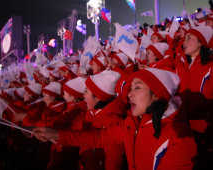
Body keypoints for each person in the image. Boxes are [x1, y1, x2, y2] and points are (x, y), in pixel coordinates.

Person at [33, 68, 197, 170]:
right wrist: (55, 134)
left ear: (157, 94)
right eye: (130, 88)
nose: (129, 94)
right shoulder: (133, 122)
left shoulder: (179, 134)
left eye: (137, 88)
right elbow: (99, 137)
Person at [36, 70, 126, 170]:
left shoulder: (113, 120)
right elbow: (78, 135)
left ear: (98, 97)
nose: (83, 96)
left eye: (86, 92)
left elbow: (114, 162)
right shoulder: (91, 114)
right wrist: (54, 135)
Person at [173, 25, 213, 169]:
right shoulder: (179, 67)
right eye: (184, 39)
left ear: (201, 42)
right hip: (183, 128)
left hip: (206, 131)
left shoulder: (210, 66)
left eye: (189, 38)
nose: (184, 42)